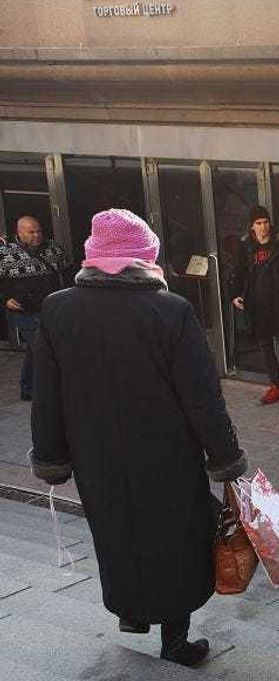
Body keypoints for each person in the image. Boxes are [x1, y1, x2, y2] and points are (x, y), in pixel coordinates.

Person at [28, 209, 247, 668]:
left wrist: (51, 456)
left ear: (93, 254)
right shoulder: (171, 310)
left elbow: (46, 394)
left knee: (118, 532)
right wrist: (225, 457)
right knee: (176, 539)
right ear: (145, 256)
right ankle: (175, 641)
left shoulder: (58, 308)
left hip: (96, 456)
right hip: (167, 455)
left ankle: (132, 612)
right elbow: (202, 397)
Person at [231, 205, 279, 411]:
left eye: (265, 222)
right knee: (266, 349)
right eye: (258, 223)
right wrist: (235, 294)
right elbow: (239, 272)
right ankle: (276, 386)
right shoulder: (246, 247)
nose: (263, 227)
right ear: (252, 226)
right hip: (258, 307)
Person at [0, 215, 70, 401]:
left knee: (35, 349)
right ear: (19, 232)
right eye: (31, 232)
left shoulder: (52, 248)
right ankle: (52, 390)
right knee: (44, 347)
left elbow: (66, 269)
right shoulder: (5, 253)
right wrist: (4, 299)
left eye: (39, 231)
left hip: (49, 308)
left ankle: (28, 388)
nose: (37, 235)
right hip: (22, 310)